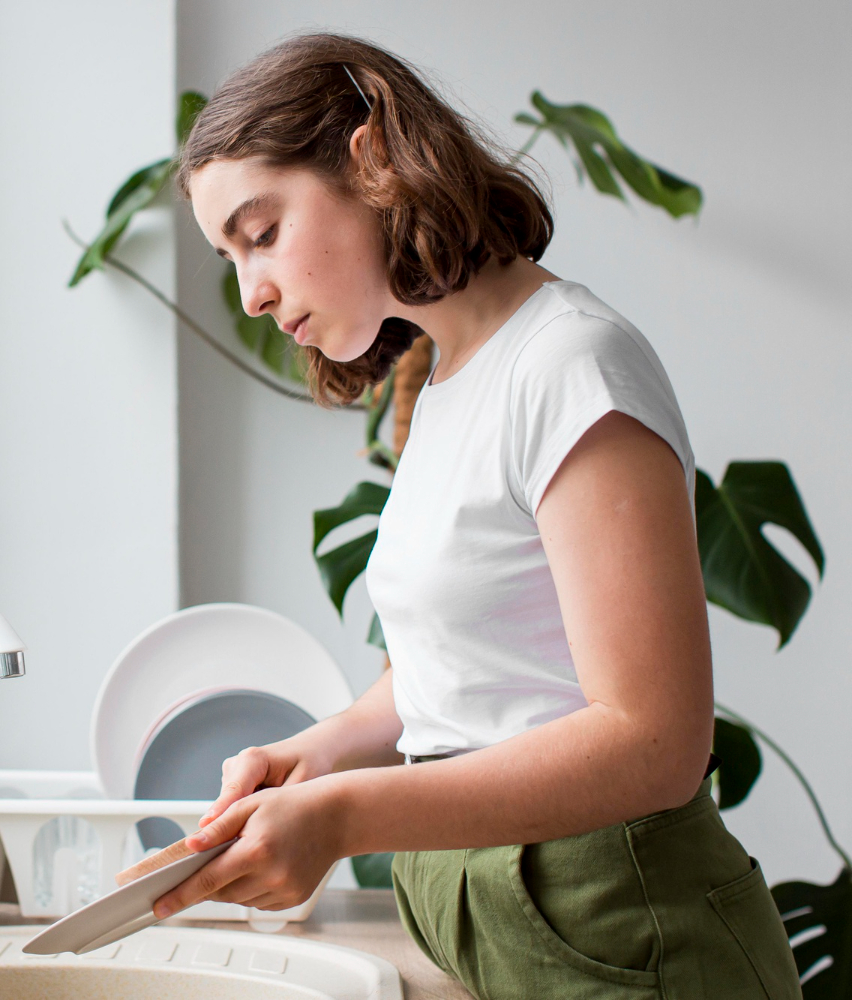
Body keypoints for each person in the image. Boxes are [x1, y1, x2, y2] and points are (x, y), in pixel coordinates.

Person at [153, 32, 801, 1000]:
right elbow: (448, 679)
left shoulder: (571, 364)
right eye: (230, 256)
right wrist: (314, 753)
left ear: (369, 157)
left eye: (262, 233)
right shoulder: (445, 383)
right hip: (499, 930)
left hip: (629, 941)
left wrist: (344, 817)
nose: (251, 293)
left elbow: (657, 742)